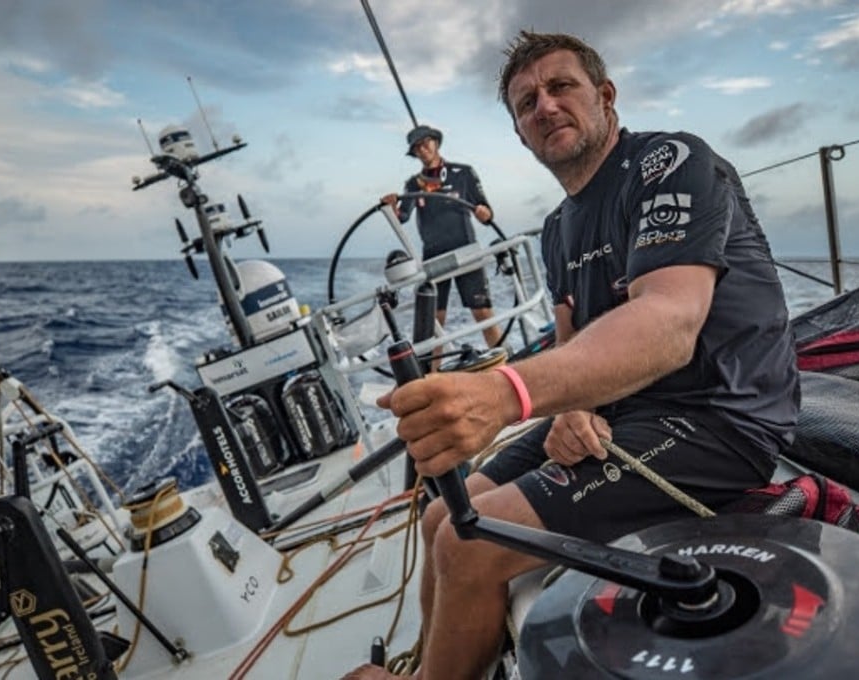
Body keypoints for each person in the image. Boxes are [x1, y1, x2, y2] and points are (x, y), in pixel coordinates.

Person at [343, 30, 800, 680]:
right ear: (520, 133)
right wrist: (570, 408)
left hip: (715, 419)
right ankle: (425, 664)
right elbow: (570, 335)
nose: (546, 107)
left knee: (468, 543)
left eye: (561, 87)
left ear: (605, 96)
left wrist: (504, 394)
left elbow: (670, 321)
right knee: (439, 515)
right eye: (527, 103)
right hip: (620, 413)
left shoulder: (669, 162)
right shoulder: (557, 228)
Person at [381, 125, 502, 356]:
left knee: (483, 312)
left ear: (436, 143)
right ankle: (433, 373)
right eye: (417, 147)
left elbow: (486, 212)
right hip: (433, 256)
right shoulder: (413, 184)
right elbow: (402, 217)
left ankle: (508, 364)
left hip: (466, 251)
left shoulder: (464, 173)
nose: (423, 149)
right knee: (434, 323)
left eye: (426, 142)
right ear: (414, 153)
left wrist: (484, 213)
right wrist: (391, 207)